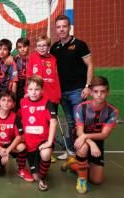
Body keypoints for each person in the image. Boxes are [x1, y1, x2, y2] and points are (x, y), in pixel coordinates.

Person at [61, 76, 118, 194]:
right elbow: (80, 132)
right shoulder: (81, 107)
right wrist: (90, 142)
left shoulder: (112, 111)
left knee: (97, 180)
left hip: (96, 141)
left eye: (103, 91)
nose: (99, 95)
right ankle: (82, 180)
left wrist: (88, 138)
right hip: (81, 139)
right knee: (83, 147)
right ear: (91, 92)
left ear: (108, 92)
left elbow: (104, 134)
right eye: (96, 91)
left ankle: (74, 163)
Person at [50, 15, 94, 160]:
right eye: (58, 27)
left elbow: (90, 65)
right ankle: (71, 151)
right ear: (56, 29)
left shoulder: (80, 44)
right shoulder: (54, 48)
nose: (61, 29)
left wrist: (88, 86)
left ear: (69, 27)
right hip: (62, 92)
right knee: (69, 122)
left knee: (79, 122)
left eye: (64, 26)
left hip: (77, 91)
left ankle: (82, 152)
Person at [20, 75, 57, 191]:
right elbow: (14, 115)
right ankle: (24, 169)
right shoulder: (23, 102)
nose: (34, 92)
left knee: (46, 154)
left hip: (43, 140)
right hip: (30, 143)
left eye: (37, 89)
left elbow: (53, 121)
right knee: (35, 176)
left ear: (42, 90)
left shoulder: (47, 103)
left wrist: (49, 142)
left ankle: (43, 178)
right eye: (30, 89)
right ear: (27, 90)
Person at [0, 90, 33, 182]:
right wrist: (0, 149)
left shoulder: (15, 117)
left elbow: (19, 136)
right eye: (3, 100)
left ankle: (21, 169)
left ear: (13, 104)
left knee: (22, 146)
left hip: (9, 146)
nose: (6, 103)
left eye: (9, 100)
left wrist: (7, 151)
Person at [27, 35, 61, 113]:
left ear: (49, 47)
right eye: (39, 46)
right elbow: (29, 76)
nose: (41, 48)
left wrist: (58, 96)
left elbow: (56, 78)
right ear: (36, 47)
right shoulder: (33, 57)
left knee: (51, 120)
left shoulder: (53, 59)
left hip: (51, 96)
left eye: (44, 45)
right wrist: (27, 92)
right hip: (36, 95)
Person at [14, 37, 30, 111]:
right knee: (18, 108)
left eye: (24, 46)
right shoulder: (14, 59)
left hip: (29, 86)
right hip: (18, 86)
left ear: (29, 47)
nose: (22, 49)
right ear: (17, 49)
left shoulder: (32, 59)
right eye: (20, 47)